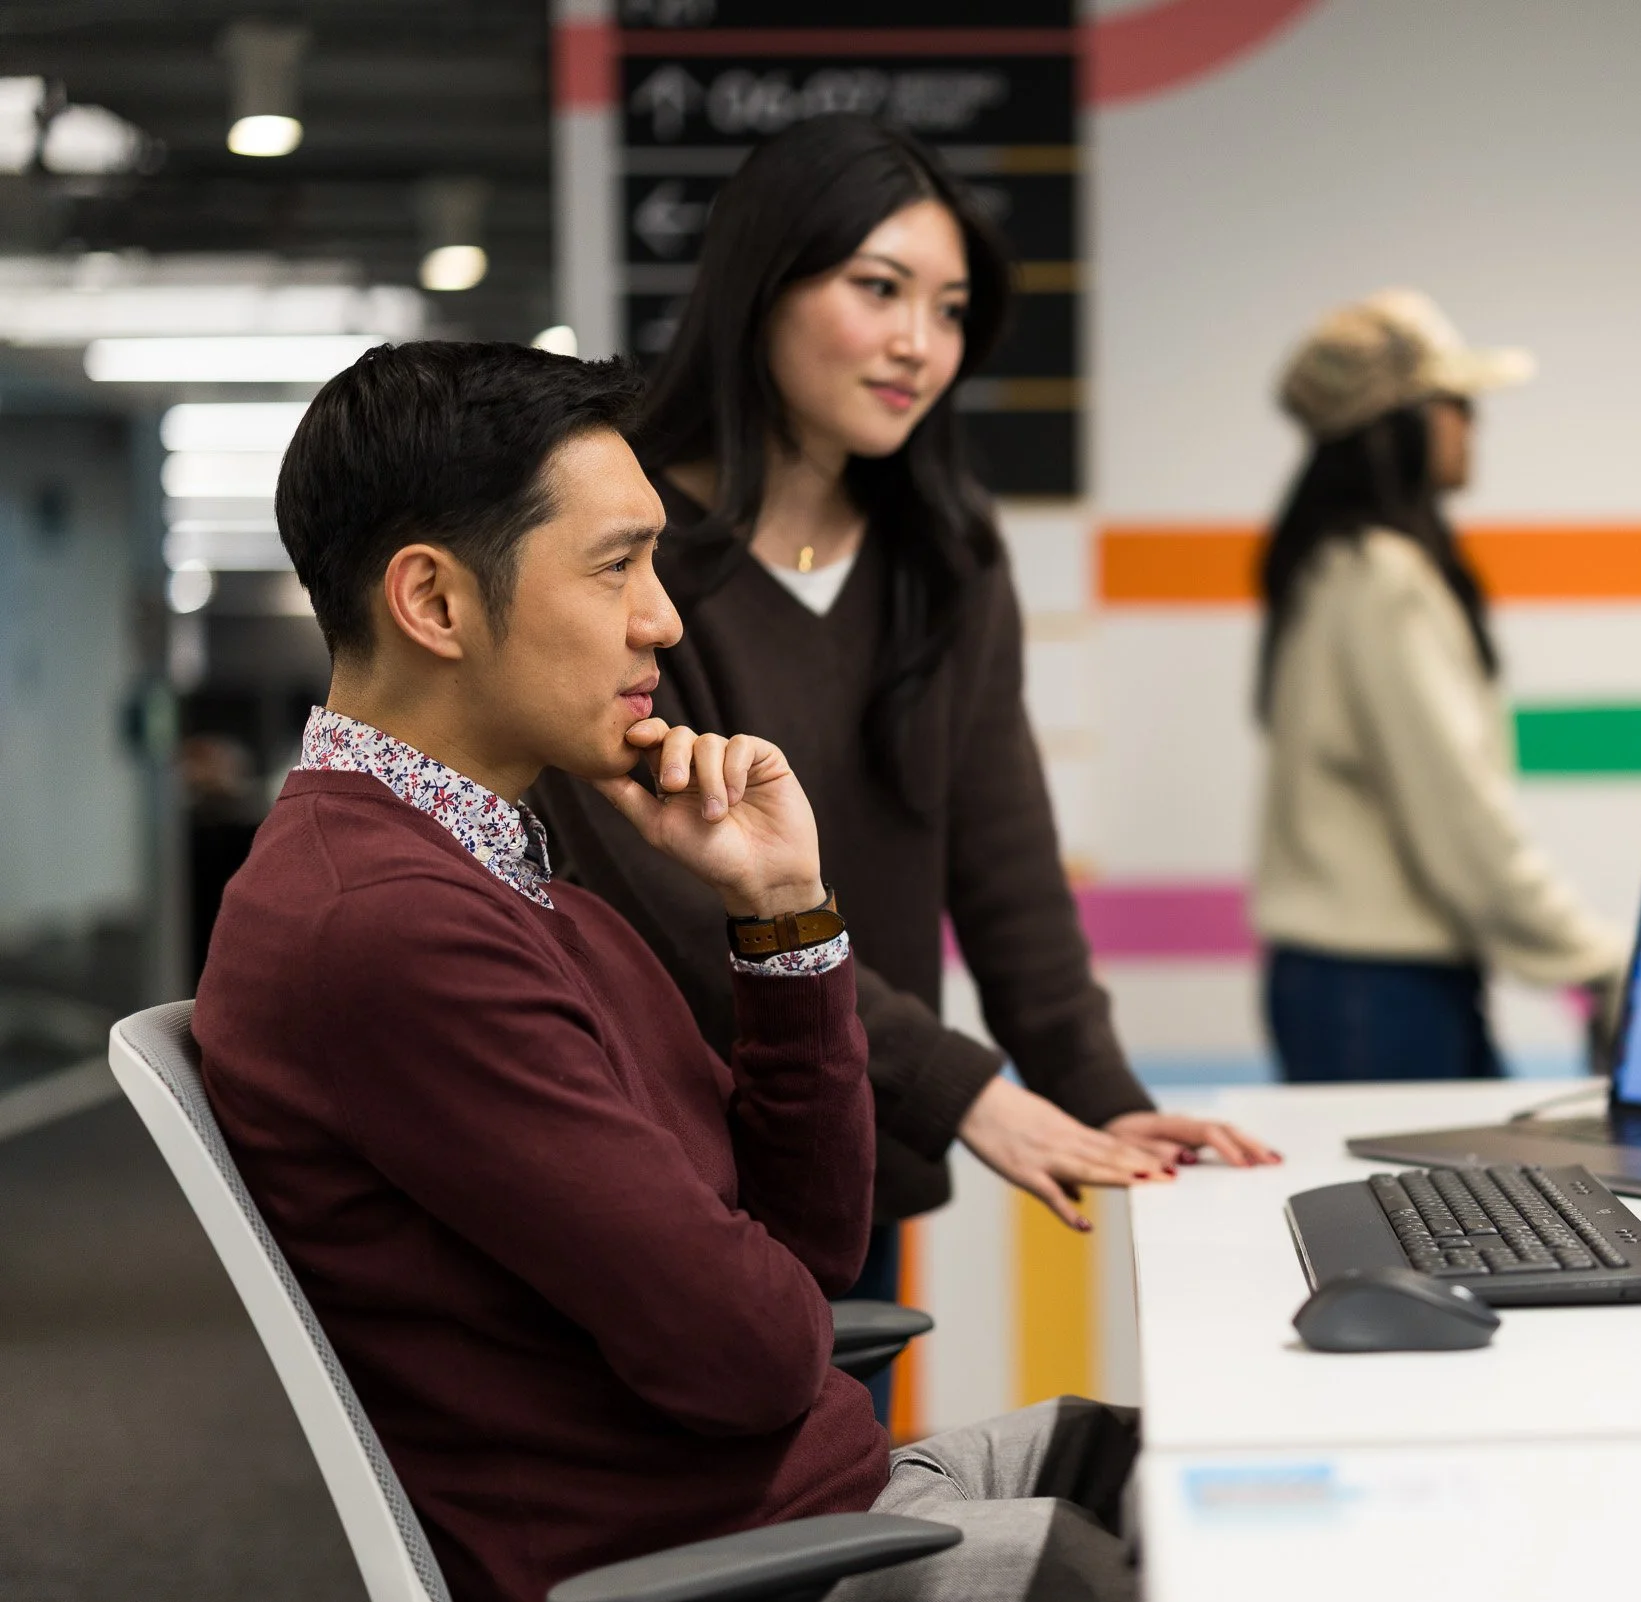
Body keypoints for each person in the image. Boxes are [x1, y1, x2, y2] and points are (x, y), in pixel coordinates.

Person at [193, 340, 1141, 1602]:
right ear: (435, 600)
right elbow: (752, 1352)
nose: (665, 618)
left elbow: (808, 1247)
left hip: (799, 1516)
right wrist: (765, 1297)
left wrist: (781, 913)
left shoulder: (502, 872)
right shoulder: (386, 926)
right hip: (720, 1597)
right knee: (1199, 1591)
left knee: (1174, 1467)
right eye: (614, 562)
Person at [529, 117, 1273, 1316]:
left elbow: (1005, 860)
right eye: (878, 289)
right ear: (763, 284)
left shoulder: (948, 555)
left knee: (849, 1486)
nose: (918, 345)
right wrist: (972, 1092)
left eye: (950, 307)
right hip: (660, 1156)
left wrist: (1102, 1095)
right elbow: (677, 899)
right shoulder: (627, 546)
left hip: (850, 1147)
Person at [1252, 289, 1629, 1082]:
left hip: (1347, 983)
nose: (1473, 425)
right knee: (1462, 1208)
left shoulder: (1331, 564)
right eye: (1456, 402)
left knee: (1448, 1205)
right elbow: (1456, 807)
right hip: (1382, 991)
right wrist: (1595, 955)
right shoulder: (1382, 577)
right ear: (1401, 421)